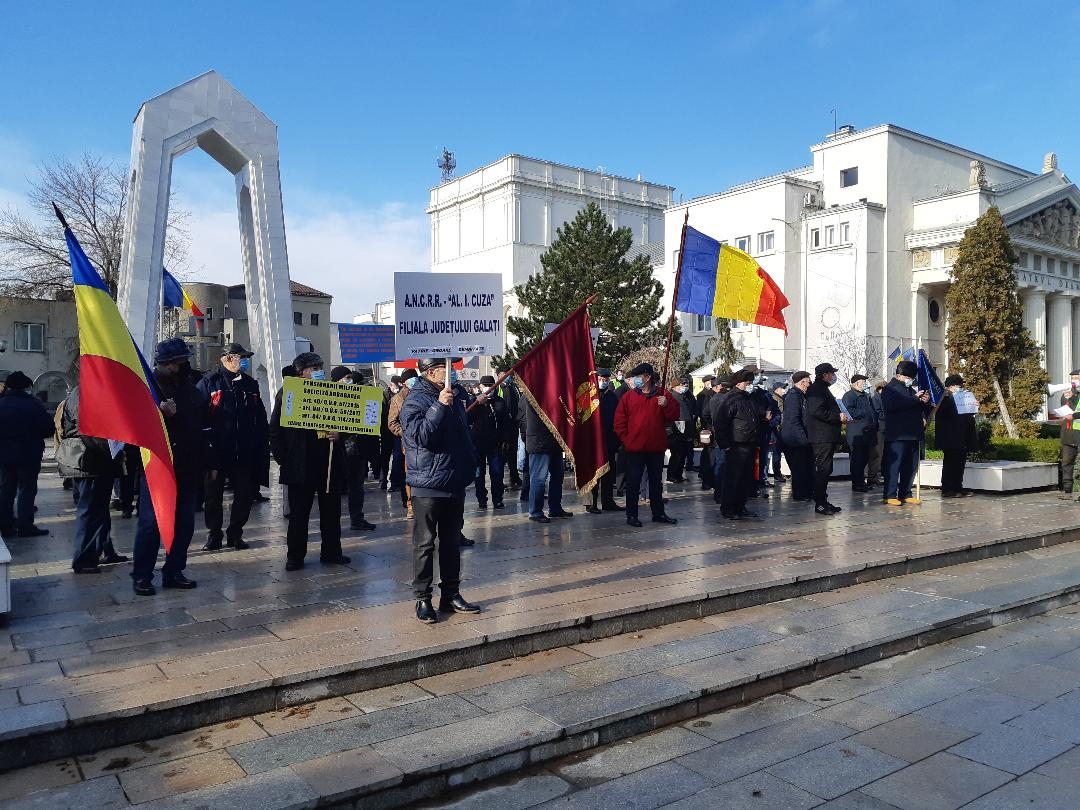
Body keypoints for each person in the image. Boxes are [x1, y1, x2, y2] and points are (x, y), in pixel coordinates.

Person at [399, 357, 481, 624]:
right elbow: (421, 436)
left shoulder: (455, 397)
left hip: (454, 481)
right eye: (449, 369)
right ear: (433, 372)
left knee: (451, 542)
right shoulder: (416, 400)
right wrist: (439, 405)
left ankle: (451, 594)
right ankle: (423, 599)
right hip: (428, 483)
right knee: (424, 544)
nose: (454, 373)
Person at [131, 339, 214, 595]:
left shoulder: (190, 388)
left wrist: (211, 462)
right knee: (151, 524)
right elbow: (137, 429)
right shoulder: (149, 389)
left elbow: (204, 427)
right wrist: (160, 415)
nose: (184, 364)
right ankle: (142, 575)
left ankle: (174, 570)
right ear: (169, 363)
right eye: (180, 360)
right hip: (159, 467)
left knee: (184, 523)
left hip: (189, 467)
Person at [269, 352, 350, 571]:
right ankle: (295, 556)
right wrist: (284, 459)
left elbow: (348, 420)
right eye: (314, 368)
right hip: (299, 463)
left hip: (328, 462)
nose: (319, 372)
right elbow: (275, 429)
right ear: (301, 372)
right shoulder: (288, 392)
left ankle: (332, 552)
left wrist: (339, 434)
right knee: (298, 515)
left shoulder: (331, 392)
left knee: (332, 512)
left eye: (320, 367)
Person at [198, 343, 269, 551]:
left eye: (245, 357)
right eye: (241, 357)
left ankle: (235, 534)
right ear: (227, 358)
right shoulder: (210, 383)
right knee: (213, 497)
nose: (244, 361)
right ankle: (214, 535)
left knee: (244, 496)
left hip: (244, 452)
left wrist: (261, 444)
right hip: (216, 453)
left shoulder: (250, 384)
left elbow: (260, 417)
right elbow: (199, 417)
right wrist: (206, 446)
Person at [57, 384, 128, 572]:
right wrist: (115, 451)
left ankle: (105, 550)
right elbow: (89, 431)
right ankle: (83, 560)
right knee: (89, 511)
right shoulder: (84, 393)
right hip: (89, 462)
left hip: (96, 462)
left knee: (100, 509)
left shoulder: (90, 391)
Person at [613, 362, 679, 528]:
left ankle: (658, 513)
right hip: (634, 448)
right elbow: (619, 421)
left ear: (647, 377)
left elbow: (674, 415)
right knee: (633, 483)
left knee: (656, 483)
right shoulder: (628, 397)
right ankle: (632, 515)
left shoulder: (663, 395)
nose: (635, 380)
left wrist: (666, 405)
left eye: (638, 376)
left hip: (656, 447)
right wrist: (627, 440)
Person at [0, 371, 53, 539]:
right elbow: (48, 429)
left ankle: (5, 526)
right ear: (25, 387)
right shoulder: (34, 405)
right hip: (28, 455)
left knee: (6, 490)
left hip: (4, 456)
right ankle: (25, 526)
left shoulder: (1, 404)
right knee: (27, 490)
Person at [330, 366, 378, 531]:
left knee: (357, 487)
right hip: (338, 450)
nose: (349, 380)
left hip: (358, 449)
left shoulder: (361, 396)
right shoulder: (328, 397)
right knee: (336, 488)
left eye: (350, 377)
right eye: (346, 377)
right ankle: (332, 523)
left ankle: (357, 518)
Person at [713, 369, 765, 519]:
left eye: (751, 383)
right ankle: (728, 508)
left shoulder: (749, 398)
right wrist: (725, 444)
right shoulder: (731, 398)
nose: (750, 386)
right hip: (736, 444)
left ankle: (740, 506)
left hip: (750, 443)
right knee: (732, 478)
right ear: (739, 383)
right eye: (748, 383)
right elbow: (721, 422)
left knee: (745, 478)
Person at [881, 359, 932, 506]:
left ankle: (905, 493)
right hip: (898, 434)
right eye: (909, 378)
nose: (910, 381)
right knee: (894, 465)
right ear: (900, 376)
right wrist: (914, 400)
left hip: (913, 433)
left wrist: (924, 401)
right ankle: (889, 494)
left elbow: (917, 407)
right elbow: (892, 406)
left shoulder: (910, 390)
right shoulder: (890, 389)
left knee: (910, 466)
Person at [520, 396, 572, 523]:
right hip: (539, 441)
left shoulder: (552, 391)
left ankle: (555, 508)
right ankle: (535, 511)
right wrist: (527, 437)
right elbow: (522, 418)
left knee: (558, 476)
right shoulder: (528, 392)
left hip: (554, 441)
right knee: (539, 479)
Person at [806, 362, 849, 515]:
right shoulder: (816, 390)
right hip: (821, 436)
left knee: (826, 469)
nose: (833, 376)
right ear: (825, 375)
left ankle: (823, 500)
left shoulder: (822, 389)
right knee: (823, 469)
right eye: (831, 373)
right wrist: (837, 417)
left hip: (827, 436)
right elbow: (817, 411)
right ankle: (819, 503)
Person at [470, 375, 511, 509]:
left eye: (490, 385)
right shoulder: (474, 402)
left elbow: (505, 422)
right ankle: (482, 498)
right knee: (479, 474)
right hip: (478, 444)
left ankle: (497, 499)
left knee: (497, 474)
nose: (488, 388)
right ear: (480, 387)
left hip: (495, 444)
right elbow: (467, 419)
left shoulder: (499, 401)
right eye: (485, 385)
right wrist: (476, 404)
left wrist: (505, 439)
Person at [935, 374, 978, 498]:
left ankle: (958, 486)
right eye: (958, 386)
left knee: (960, 463)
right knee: (950, 463)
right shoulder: (944, 398)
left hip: (962, 436)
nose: (961, 388)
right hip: (950, 437)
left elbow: (967, 415)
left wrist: (973, 406)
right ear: (951, 387)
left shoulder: (963, 397)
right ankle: (947, 489)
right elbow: (942, 415)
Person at [586, 368, 621, 514]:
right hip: (592, 442)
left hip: (609, 441)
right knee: (592, 473)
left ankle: (608, 501)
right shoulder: (589, 396)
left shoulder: (613, 397)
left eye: (606, 380)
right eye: (600, 379)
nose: (603, 382)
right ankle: (590, 503)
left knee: (608, 473)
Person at [387, 368, 419, 516]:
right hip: (408, 443)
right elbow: (392, 423)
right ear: (404, 383)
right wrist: (405, 433)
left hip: (426, 440)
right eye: (409, 379)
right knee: (408, 474)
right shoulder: (397, 399)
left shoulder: (425, 393)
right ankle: (410, 504)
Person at [842, 374, 879, 493]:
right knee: (857, 460)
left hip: (868, 433)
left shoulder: (865, 396)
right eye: (863, 381)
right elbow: (848, 411)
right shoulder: (849, 395)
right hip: (857, 433)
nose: (866, 384)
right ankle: (857, 484)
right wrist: (864, 413)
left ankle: (861, 482)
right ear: (857, 383)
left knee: (864, 459)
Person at [781, 371, 814, 502]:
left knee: (804, 468)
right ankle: (800, 494)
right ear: (802, 382)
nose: (810, 385)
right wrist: (803, 440)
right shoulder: (793, 396)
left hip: (799, 437)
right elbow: (793, 420)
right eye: (808, 382)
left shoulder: (801, 395)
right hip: (794, 439)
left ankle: (806, 492)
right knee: (799, 468)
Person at [666, 376, 696, 483]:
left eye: (686, 384)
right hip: (677, 429)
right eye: (682, 384)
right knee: (676, 454)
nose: (684, 386)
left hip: (686, 428)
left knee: (683, 454)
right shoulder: (672, 397)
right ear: (675, 387)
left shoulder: (686, 396)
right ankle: (672, 475)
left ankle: (678, 474)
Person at [1057, 370, 1080, 498]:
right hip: (1068, 433)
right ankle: (1067, 488)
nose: (1074, 380)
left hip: (1078, 432)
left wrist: (1074, 395)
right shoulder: (1067, 394)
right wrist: (1067, 397)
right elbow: (1065, 408)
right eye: (1073, 378)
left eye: (1077, 378)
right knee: (1066, 461)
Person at [696, 375, 716, 490]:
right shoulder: (702, 395)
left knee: (708, 452)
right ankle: (705, 477)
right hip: (707, 429)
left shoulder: (712, 395)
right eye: (710, 381)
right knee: (708, 453)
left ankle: (705, 474)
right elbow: (703, 413)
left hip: (710, 428)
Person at [380, 376, 400, 490]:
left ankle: (394, 481)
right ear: (391, 385)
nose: (397, 387)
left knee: (397, 457)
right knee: (385, 456)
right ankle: (383, 480)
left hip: (396, 432)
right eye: (395, 385)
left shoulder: (401, 395)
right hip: (386, 431)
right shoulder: (384, 396)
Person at [868, 379, 887, 486]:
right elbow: (878, 414)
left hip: (886, 429)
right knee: (877, 454)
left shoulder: (885, 399)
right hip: (880, 429)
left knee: (884, 454)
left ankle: (879, 475)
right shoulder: (875, 399)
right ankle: (872, 476)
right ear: (879, 389)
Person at [769, 381, 787, 482]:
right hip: (777, 430)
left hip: (779, 429)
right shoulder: (776, 399)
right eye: (782, 388)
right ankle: (777, 473)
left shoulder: (780, 398)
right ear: (777, 389)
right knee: (776, 452)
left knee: (778, 452)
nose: (783, 390)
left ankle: (778, 473)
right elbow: (781, 414)